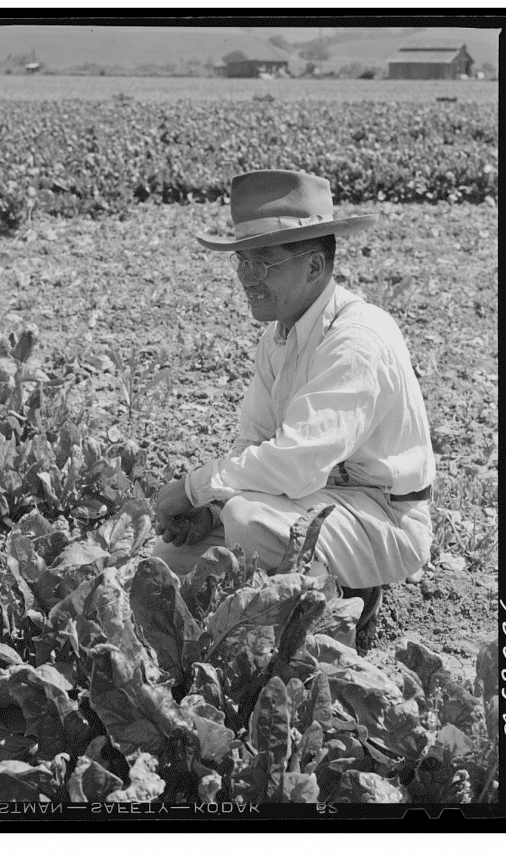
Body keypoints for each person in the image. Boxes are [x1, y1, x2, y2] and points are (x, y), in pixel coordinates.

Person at [152, 169, 436, 629]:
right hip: (313, 498)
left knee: (248, 522)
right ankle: (311, 586)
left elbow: (293, 464)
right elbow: (254, 445)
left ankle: (341, 608)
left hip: (384, 517)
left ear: (314, 267)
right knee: (168, 558)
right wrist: (210, 511)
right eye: (241, 262)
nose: (246, 278)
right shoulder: (279, 337)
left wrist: (192, 489)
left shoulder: (356, 340)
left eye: (262, 263)